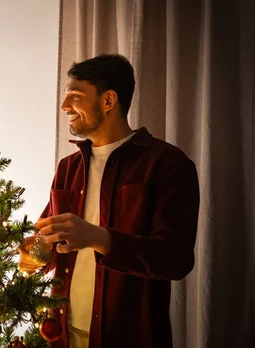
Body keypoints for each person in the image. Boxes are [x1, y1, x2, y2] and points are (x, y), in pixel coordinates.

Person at [18, 54, 199, 348]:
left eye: (75, 96)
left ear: (108, 100)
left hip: (129, 337)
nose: (65, 107)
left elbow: (176, 260)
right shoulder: (68, 167)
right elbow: (51, 245)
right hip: (63, 333)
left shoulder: (167, 164)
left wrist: (98, 237)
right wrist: (34, 253)